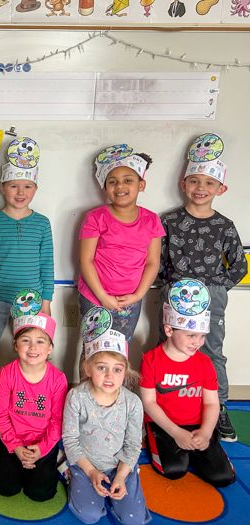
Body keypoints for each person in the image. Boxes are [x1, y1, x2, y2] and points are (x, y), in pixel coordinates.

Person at [157, 133, 247, 442]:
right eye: (194, 181)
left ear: (221, 189)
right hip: (174, 296)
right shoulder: (168, 222)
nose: (201, 188)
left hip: (212, 299)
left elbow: (239, 266)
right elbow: (155, 261)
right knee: (169, 349)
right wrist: (167, 286)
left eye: (209, 183)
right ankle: (166, 406)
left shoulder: (225, 225)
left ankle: (218, 408)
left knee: (211, 352)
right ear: (184, 185)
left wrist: (215, 289)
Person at [140, 279, 235, 486]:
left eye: (202, 336)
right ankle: (153, 437)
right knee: (174, 471)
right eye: (191, 335)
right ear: (169, 330)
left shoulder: (205, 362)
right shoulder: (150, 360)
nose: (198, 342)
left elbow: (211, 402)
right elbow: (149, 402)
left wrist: (207, 432)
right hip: (164, 424)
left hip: (198, 423)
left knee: (223, 477)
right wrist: (176, 432)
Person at [0, 137, 54, 373]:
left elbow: (47, 264)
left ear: (35, 189)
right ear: (2, 188)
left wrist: (46, 303)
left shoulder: (42, 224)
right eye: (13, 186)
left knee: (33, 352)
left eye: (27, 186)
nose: (20, 192)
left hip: (32, 302)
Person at [62, 319, 150, 525]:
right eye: (102, 367)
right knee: (89, 515)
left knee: (134, 520)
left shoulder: (133, 402)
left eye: (117, 370)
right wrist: (91, 472)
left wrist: (120, 476)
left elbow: (133, 444)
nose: (110, 375)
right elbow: (70, 440)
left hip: (120, 465)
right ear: (87, 368)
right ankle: (69, 473)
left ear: (125, 372)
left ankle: (126, 477)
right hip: (85, 463)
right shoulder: (76, 396)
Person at [78, 144, 164, 348]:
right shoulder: (95, 218)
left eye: (128, 180)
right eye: (113, 181)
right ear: (105, 186)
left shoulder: (152, 220)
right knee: (92, 350)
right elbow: (85, 260)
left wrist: (138, 295)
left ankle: (116, 382)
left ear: (141, 185)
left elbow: (152, 262)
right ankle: (88, 382)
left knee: (119, 349)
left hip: (131, 299)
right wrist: (103, 297)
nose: (120, 186)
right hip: (95, 297)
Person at [0, 303, 67, 502]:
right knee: (5, 488)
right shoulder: (7, 373)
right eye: (26, 340)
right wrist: (15, 447)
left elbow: (58, 421)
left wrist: (41, 449)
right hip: (12, 438)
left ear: (50, 348)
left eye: (40, 341)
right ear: (16, 345)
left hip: (44, 441)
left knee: (40, 494)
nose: (33, 347)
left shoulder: (58, 379)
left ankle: (55, 457)